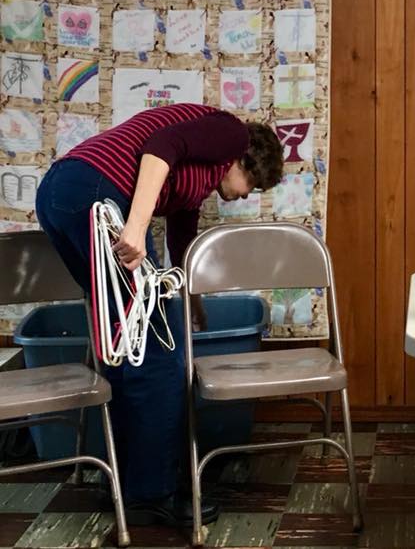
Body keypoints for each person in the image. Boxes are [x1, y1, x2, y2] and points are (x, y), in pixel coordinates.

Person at [35, 103, 283, 526]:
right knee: (160, 356)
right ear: (246, 158)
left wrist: (194, 297)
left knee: (124, 347)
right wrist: (134, 225)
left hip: (62, 193)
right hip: (99, 195)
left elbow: (182, 238)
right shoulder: (232, 134)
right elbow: (161, 145)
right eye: (253, 184)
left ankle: (126, 483)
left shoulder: (196, 179)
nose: (246, 195)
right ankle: (153, 495)